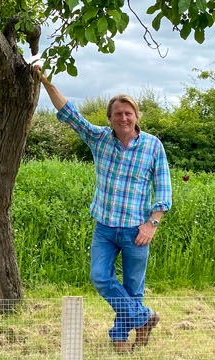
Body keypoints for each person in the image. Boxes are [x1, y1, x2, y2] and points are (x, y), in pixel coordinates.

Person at [32, 65, 171, 353]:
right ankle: (144, 318)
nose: (123, 117)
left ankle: (120, 337)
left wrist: (152, 224)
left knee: (134, 288)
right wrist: (45, 81)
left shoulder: (153, 146)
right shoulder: (99, 139)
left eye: (128, 113)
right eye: (118, 113)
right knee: (100, 277)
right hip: (105, 228)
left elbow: (164, 189)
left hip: (137, 230)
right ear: (109, 118)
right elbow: (69, 113)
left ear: (136, 117)